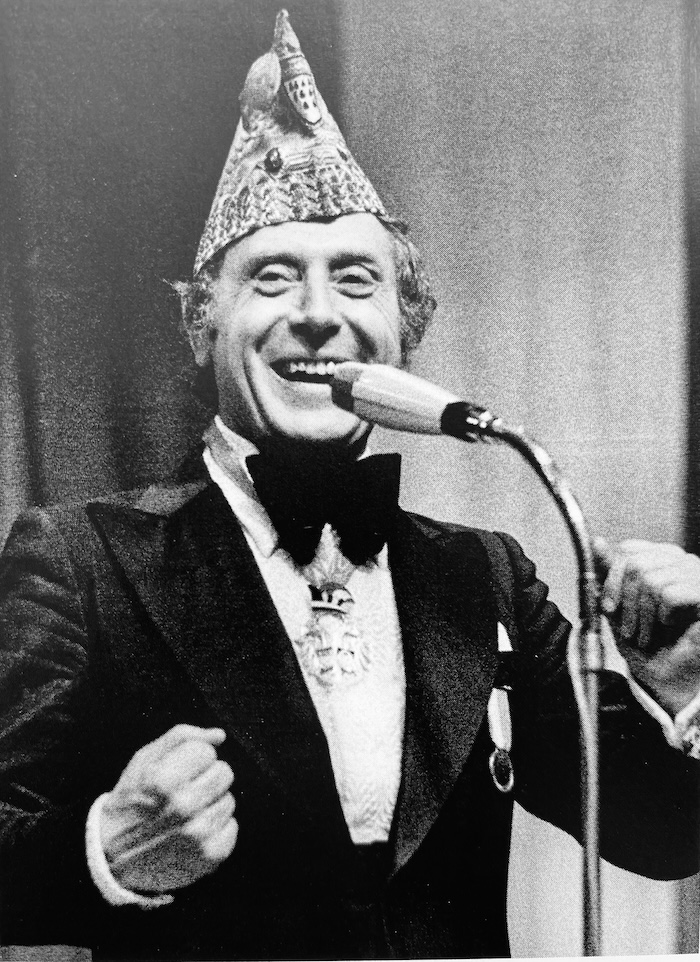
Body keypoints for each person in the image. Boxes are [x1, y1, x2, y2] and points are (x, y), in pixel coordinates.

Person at [0, 10, 699, 960]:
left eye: (358, 281)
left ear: (403, 336)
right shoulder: (81, 561)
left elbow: (664, 835)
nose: (318, 315)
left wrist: (686, 696)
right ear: (202, 327)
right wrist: (105, 852)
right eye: (273, 278)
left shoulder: (486, 577)